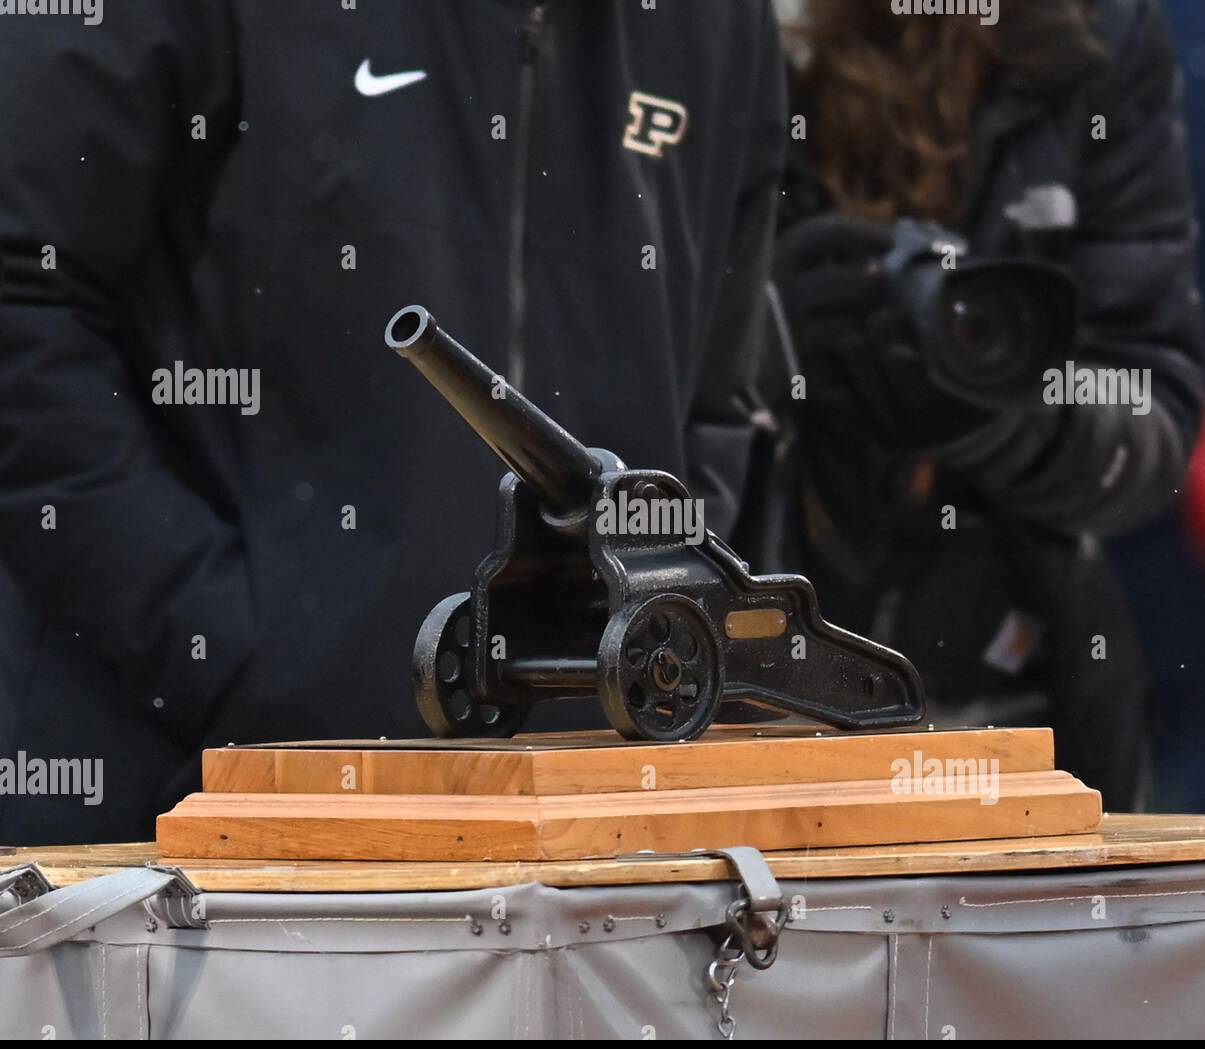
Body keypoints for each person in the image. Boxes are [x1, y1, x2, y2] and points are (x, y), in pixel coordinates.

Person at [0, 0, 786, 844]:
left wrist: (658, 617)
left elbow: (716, 393)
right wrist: (225, 649)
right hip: (186, 822)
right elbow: (25, 294)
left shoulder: (721, 23)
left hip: (589, 832)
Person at [764, 0, 1205, 808]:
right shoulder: (695, 32)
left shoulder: (1089, 38)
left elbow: (1152, 419)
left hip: (1018, 716)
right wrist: (758, 344)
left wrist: (992, 407)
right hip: (729, 703)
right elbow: (602, 369)